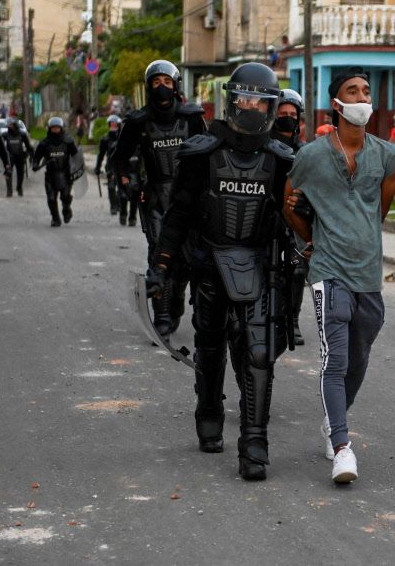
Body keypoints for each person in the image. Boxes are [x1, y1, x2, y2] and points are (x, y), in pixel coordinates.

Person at [148, 62, 294, 481]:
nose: (251, 107)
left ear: (271, 107)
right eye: (244, 98)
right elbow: (177, 216)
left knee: (259, 353)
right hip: (209, 263)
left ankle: (254, 445)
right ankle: (208, 410)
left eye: (260, 101)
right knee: (210, 345)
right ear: (232, 101)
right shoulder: (201, 153)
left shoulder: (283, 160)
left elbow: (296, 218)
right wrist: (162, 268)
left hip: (261, 266)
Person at [283, 67, 395, 484]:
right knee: (335, 358)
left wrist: (362, 234)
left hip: (367, 271)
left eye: (367, 91)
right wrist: (310, 239)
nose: (362, 98)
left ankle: (334, 419)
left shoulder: (387, 154)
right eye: (353, 91)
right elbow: (289, 201)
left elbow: (382, 206)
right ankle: (341, 447)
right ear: (336, 103)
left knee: (360, 354)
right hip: (328, 269)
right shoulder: (312, 156)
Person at [113, 60, 205, 335]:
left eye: (167, 82)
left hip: (189, 196)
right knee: (159, 256)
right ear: (148, 87)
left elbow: (210, 154)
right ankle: (162, 315)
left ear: (175, 85)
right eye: (156, 83)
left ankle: (178, 303)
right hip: (155, 197)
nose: (162, 87)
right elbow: (119, 160)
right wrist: (127, 182)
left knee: (190, 259)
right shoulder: (138, 122)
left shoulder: (192, 118)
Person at [272, 89, 307, 347]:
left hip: (294, 224)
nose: (286, 117)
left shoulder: (307, 153)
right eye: (281, 113)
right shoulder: (263, 147)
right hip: (266, 221)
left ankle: (291, 320)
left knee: (296, 270)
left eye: (291, 114)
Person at [31, 117, 78, 227]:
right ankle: (55, 218)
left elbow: (76, 156)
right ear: (49, 129)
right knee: (51, 198)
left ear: (61, 128)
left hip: (66, 175)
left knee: (65, 197)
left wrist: (76, 169)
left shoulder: (69, 141)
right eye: (53, 128)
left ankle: (67, 210)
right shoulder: (44, 143)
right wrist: (35, 164)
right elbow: (36, 157)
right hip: (51, 176)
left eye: (57, 128)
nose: (55, 130)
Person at [95, 114, 123, 219]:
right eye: (111, 124)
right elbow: (101, 154)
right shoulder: (105, 139)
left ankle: (121, 205)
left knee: (122, 188)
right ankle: (113, 206)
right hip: (111, 166)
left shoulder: (124, 138)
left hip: (122, 166)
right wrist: (97, 167)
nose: (113, 125)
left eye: (115, 124)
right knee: (111, 187)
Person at [3, 119, 33, 198]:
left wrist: (29, 154)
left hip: (20, 156)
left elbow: (28, 146)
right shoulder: (5, 134)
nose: (10, 126)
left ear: (15, 125)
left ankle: (19, 188)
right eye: (9, 125)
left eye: (11, 125)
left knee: (20, 174)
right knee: (8, 172)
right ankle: (9, 190)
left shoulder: (22, 134)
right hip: (9, 156)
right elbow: (0, 146)